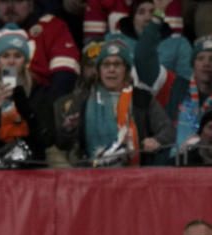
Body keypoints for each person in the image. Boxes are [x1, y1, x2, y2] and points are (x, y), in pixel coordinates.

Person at [55, 36, 174, 165]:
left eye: (117, 64)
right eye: (106, 64)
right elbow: (62, 144)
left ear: (126, 70)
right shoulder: (84, 99)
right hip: (90, 175)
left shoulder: (142, 98)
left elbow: (168, 130)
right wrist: (67, 130)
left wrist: (157, 140)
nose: (111, 70)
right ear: (99, 71)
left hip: (135, 175)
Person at [0, 25, 56, 168]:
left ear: (25, 61)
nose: (11, 61)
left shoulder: (38, 90)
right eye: (5, 56)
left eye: (17, 56)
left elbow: (47, 138)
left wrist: (22, 103)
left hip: (29, 172)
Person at [134, 0, 212, 154]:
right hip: (172, 167)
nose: (207, 64)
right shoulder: (173, 85)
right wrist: (157, 16)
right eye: (200, 58)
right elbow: (142, 57)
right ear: (192, 64)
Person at [0, 0, 81, 99]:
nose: (10, 6)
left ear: (31, 4)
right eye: (4, 1)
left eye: (18, 1)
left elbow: (65, 77)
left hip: (42, 107)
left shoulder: (53, 28)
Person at [116, 0, 193, 81]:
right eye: (141, 12)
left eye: (153, 12)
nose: (147, 18)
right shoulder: (117, 42)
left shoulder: (179, 44)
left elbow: (185, 80)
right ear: (132, 20)